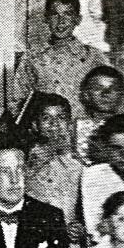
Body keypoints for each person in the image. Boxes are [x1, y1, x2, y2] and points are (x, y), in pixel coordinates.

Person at [11, 0, 109, 119]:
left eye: (67, 14)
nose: (61, 21)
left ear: (77, 20)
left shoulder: (93, 57)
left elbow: (108, 98)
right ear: (46, 18)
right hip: (44, 134)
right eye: (55, 15)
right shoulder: (32, 58)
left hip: (80, 131)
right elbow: (18, 102)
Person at [25, 93, 84, 234]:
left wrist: (79, 226)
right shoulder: (24, 160)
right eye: (46, 118)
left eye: (61, 118)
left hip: (68, 241)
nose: (54, 124)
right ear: (35, 125)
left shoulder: (77, 165)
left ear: (69, 124)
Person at [74, 65, 124, 165]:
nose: (105, 93)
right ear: (86, 95)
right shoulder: (74, 129)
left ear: (122, 95)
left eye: (113, 89)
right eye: (98, 88)